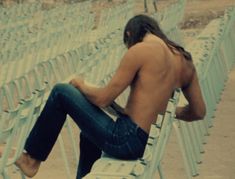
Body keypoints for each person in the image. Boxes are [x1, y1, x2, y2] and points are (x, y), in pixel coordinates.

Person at [14, 14, 206, 178]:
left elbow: (102, 98)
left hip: (126, 140)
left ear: (130, 34)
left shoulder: (140, 51)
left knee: (60, 92)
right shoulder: (184, 61)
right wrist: (166, 110)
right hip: (147, 142)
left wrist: (81, 84)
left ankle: (31, 159)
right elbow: (198, 111)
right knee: (88, 132)